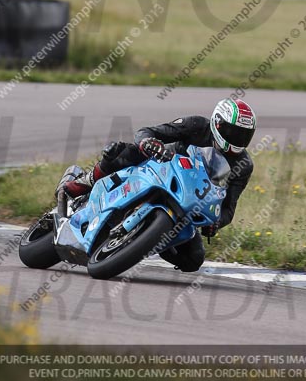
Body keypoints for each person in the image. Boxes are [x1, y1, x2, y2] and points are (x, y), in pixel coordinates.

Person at [61, 98, 256, 272]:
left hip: (188, 200)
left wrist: (216, 223)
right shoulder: (196, 125)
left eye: (244, 135)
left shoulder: (243, 165)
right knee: (125, 152)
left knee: (194, 259)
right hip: (161, 166)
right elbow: (148, 131)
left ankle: (146, 243)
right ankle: (85, 182)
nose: (238, 139)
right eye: (233, 132)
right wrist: (148, 142)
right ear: (218, 124)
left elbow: (229, 209)